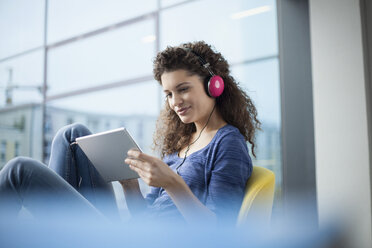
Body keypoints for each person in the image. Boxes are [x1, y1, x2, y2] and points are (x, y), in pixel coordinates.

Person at [0, 41, 260, 225]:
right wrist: (130, 185)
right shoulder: (180, 144)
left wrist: (173, 183)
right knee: (72, 135)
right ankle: (65, 232)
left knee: (19, 170)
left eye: (183, 89)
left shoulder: (228, 144)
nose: (174, 101)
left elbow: (219, 232)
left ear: (214, 85)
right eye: (168, 94)